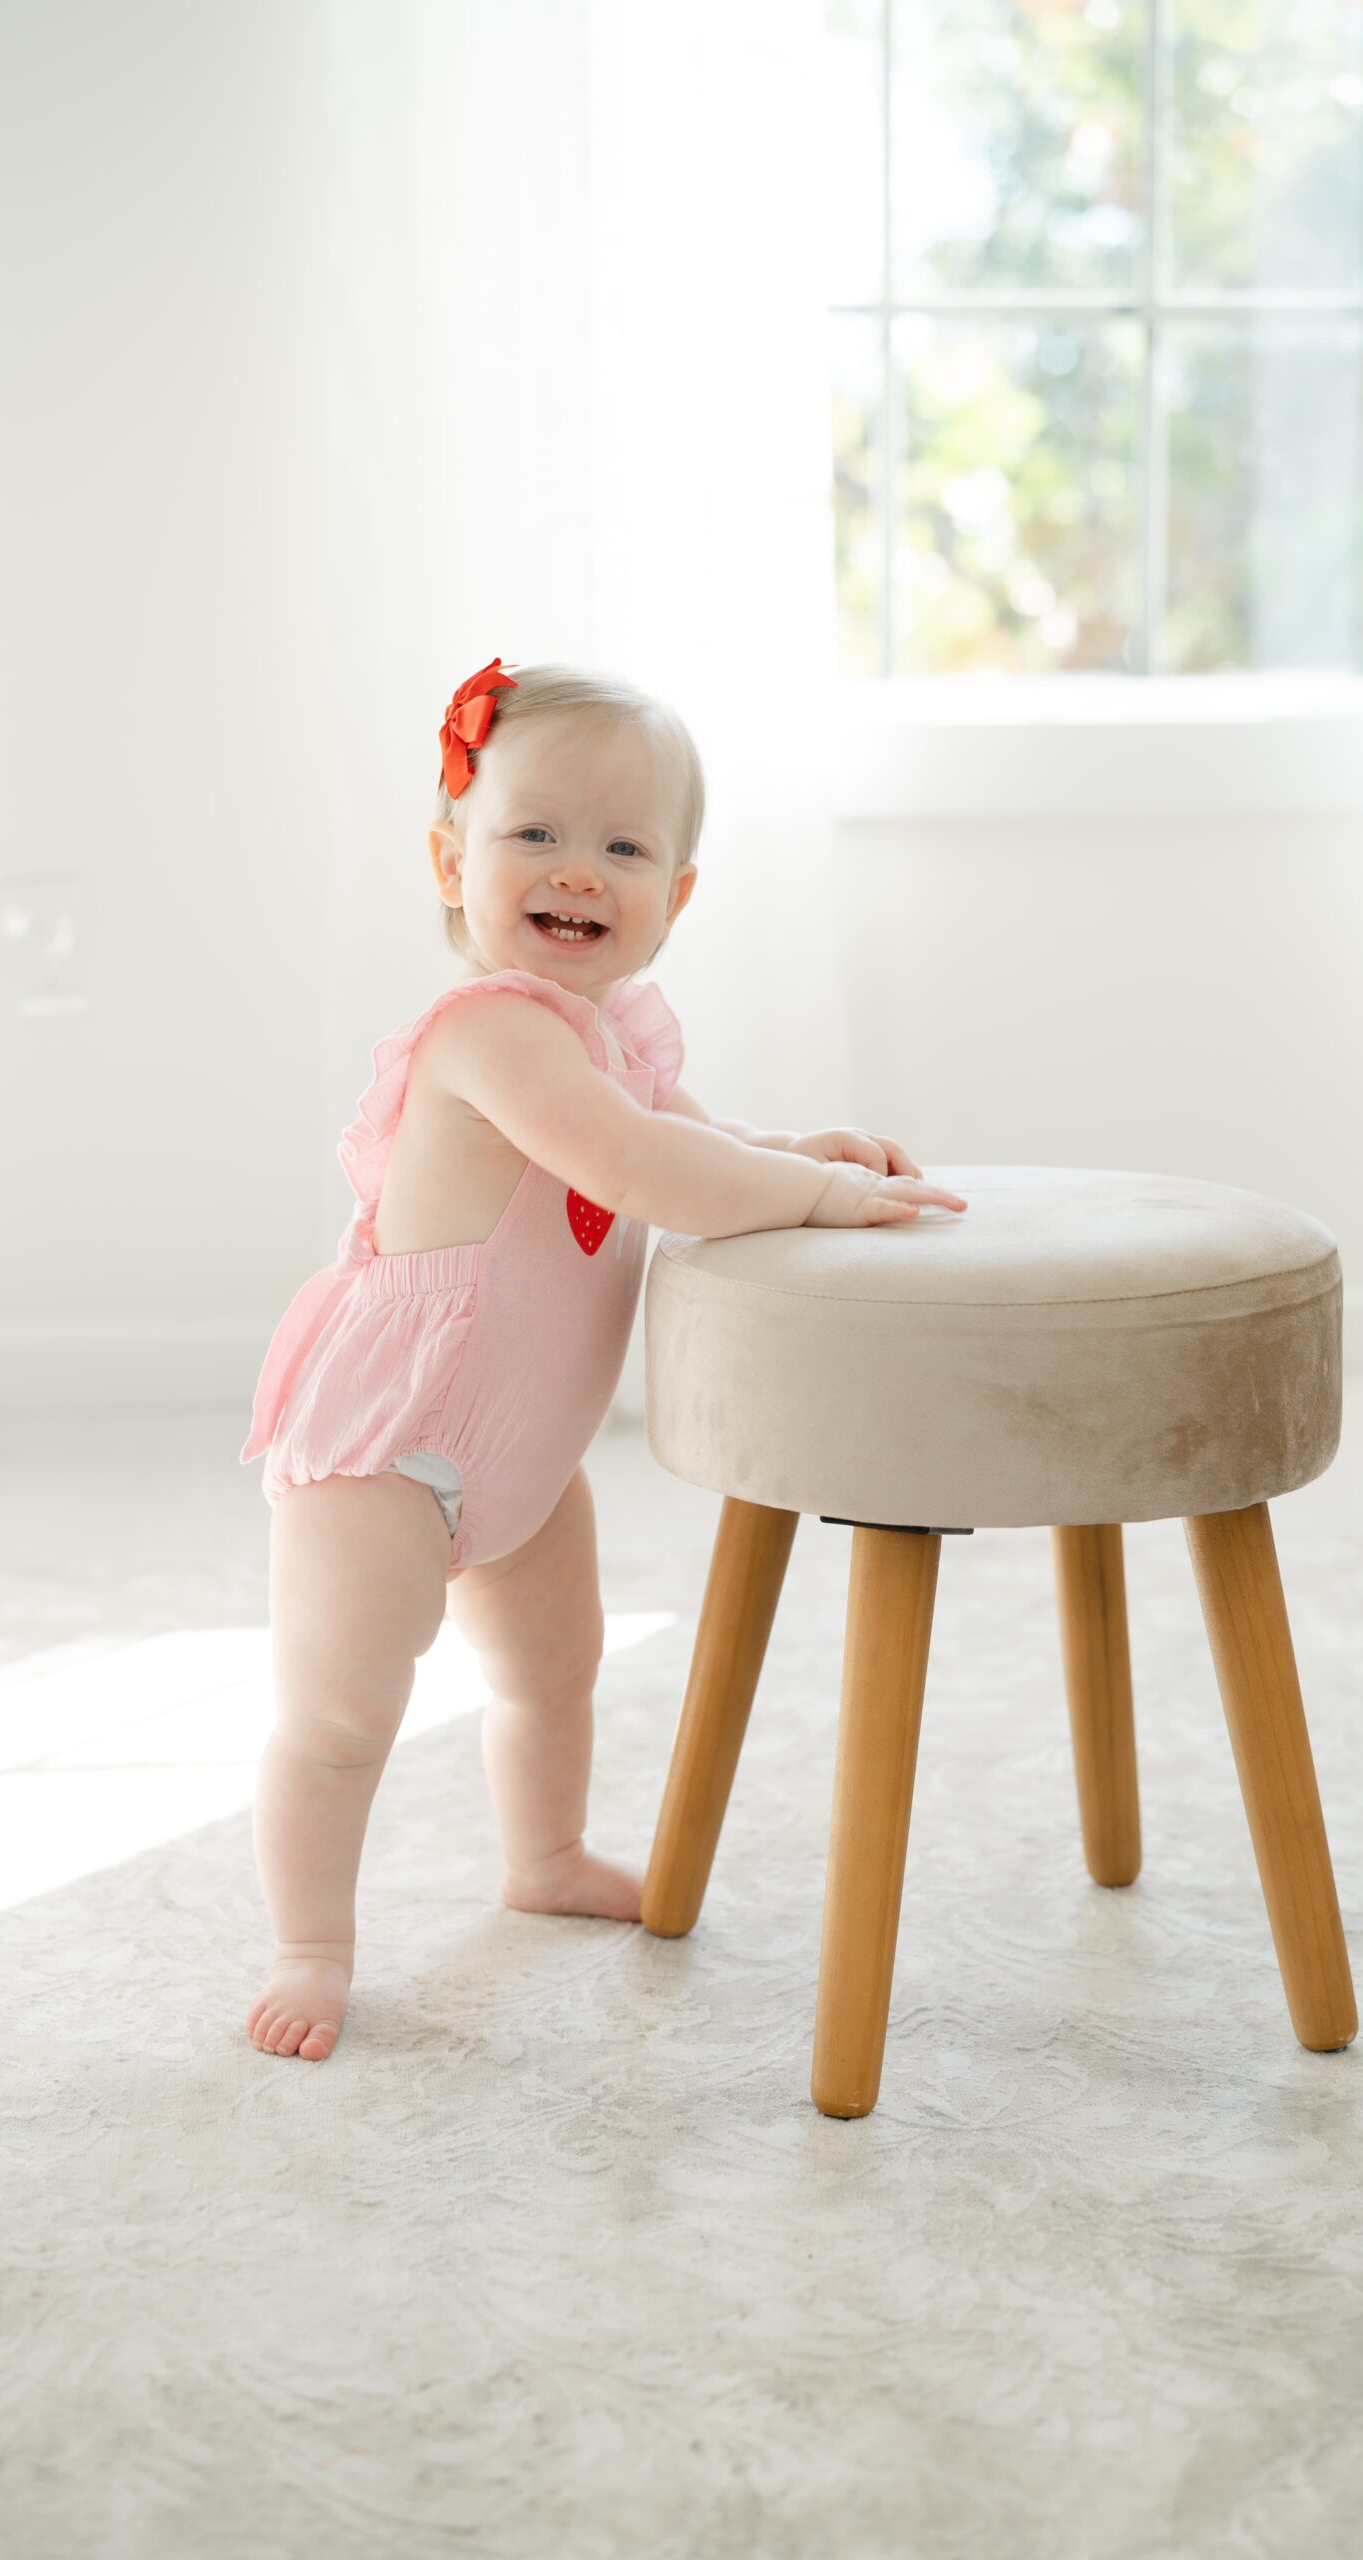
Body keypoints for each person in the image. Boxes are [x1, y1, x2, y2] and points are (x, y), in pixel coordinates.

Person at [239, 657, 969, 2061]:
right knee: (339, 1717)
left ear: (677, 896)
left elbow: (698, 1143)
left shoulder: (612, 1035)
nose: (579, 869)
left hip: (522, 1462)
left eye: (625, 847)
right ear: (453, 861)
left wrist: (789, 1152)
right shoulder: (494, 1035)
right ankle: (310, 1943)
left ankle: (548, 1857)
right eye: (536, 834)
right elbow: (634, 1164)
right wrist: (814, 1202)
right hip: (388, 1449)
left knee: (552, 1672)